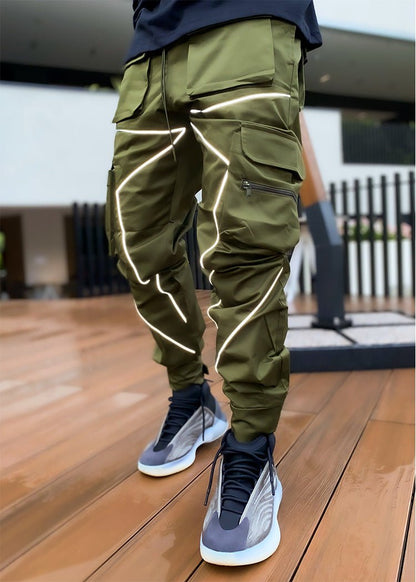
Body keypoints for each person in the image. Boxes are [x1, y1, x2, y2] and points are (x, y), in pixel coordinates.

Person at [106, 0, 321, 567]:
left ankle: (250, 444)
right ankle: (192, 398)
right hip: (151, 45)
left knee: (245, 245)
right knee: (137, 241)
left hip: (248, 21)